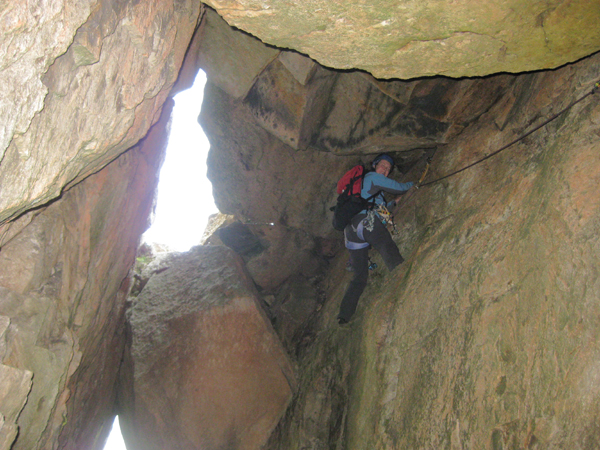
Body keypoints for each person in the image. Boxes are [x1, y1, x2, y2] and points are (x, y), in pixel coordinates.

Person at [337, 153, 414, 325]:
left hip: (351, 235)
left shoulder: (373, 195)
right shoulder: (371, 177)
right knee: (385, 243)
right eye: (383, 166)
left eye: (388, 169)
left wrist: (393, 204)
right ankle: (401, 275)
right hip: (364, 225)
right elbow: (399, 187)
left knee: (360, 276)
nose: (385, 171)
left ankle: (344, 315)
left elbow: (382, 212)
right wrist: (414, 184)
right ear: (375, 165)